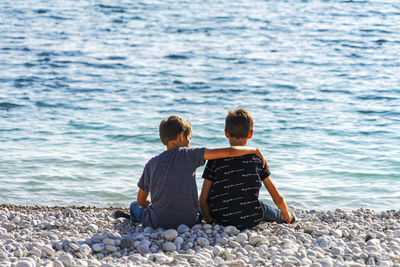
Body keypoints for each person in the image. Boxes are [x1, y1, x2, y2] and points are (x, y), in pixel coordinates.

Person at [114, 115, 268, 230]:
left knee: (135, 205)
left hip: (156, 222)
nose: (189, 142)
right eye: (189, 138)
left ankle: (133, 217)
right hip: (189, 220)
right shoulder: (190, 154)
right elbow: (229, 152)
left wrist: (153, 205)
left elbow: (141, 200)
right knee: (201, 206)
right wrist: (254, 149)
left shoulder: (151, 163)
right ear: (182, 135)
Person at [199, 108, 295, 230]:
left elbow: (203, 198)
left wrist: (209, 219)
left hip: (219, 217)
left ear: (226, 133)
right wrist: (285, 212)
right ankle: (289, 217)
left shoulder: (214, 160)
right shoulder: (257, 160)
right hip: (251, 217)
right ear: (250, 134)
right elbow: (276, 196)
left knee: (199, 206)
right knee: (264, 208)